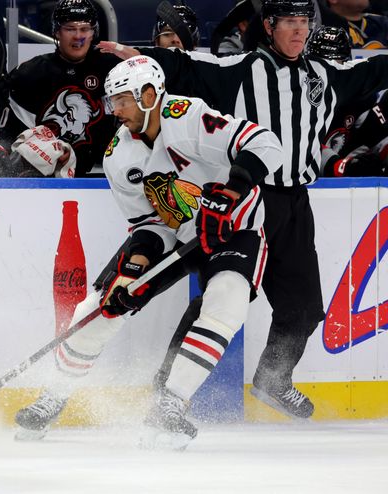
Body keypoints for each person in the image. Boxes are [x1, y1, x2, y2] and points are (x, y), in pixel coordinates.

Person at [98, 0, 388, 420]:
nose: (299, 31)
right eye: (289, 22)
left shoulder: (325, 74)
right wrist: (141, 58)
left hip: (294, 205)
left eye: (304, 22)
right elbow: (186, 66)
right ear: (269, 27)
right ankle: (165, 392)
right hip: (247, 200)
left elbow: (376, 70)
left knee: (304, 309)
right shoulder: (241, 69)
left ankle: (273, 378)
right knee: (220, 298)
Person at [15, 54, 281, 448]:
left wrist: (231, 192)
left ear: (149, 94)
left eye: (122, 99)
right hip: (174, 232)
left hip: (232, 230)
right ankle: (53, 396)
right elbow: (147, 224)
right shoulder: (118, 156)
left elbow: (265, 143)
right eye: (112, 101)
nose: (115, 110)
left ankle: (170, 404)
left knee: (227, 300)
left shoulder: (188, 117)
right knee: (102, 306)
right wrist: (134, 269)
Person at [0, 0, 120, 177]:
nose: (78, 36)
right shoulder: (33, 71)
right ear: (56, 32)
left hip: (103, 175)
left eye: (84, 29)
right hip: (45, 180)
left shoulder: (113, 67)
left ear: (93, 32)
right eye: (70, 29)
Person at [306, 26, 388, 177]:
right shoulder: (297, 93)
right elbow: (298, 143)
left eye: (335, 61)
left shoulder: (359, 94)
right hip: (296, 180)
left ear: (346, 62)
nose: (328, 69)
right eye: (322, 62)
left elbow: (376, 131)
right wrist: (339, 166)